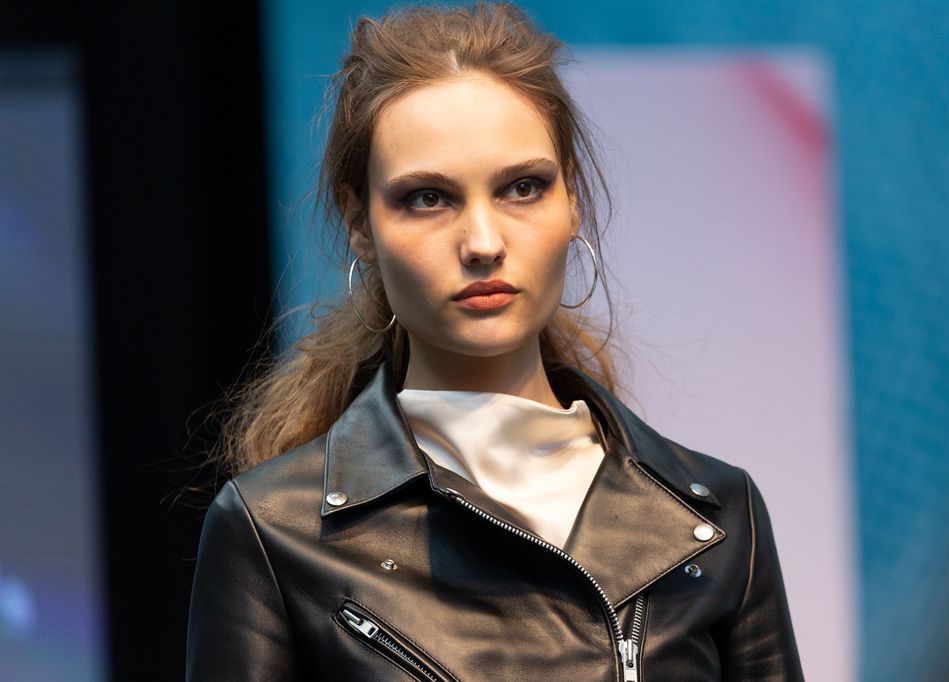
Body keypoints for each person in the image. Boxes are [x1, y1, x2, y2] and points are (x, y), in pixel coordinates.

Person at [185, 2, 804, 680]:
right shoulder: (275, 533)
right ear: (360, 222)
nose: (483, 243)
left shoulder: (714, 519)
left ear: (572, 201)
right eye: (428, 198)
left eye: (522, 188)